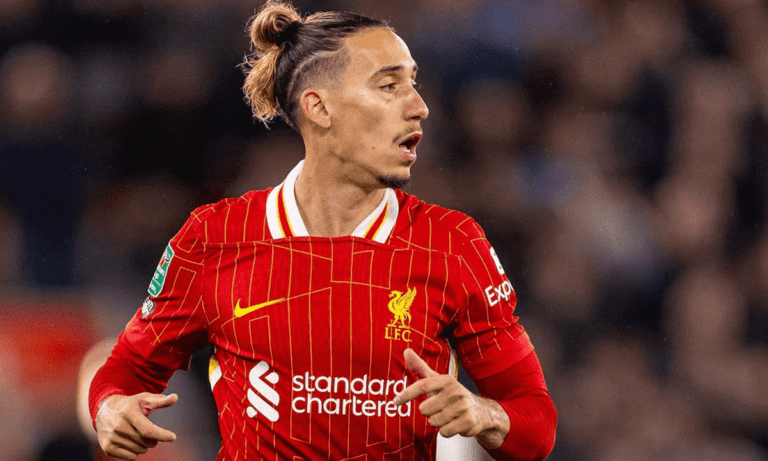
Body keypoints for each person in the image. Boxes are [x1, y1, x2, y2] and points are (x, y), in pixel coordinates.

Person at [88, 1, 557, 460]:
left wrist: (485, 413)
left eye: (414, 84)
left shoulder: (453, 243)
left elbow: (536, 423)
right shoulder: (215, 236)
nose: (420, 107)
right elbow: (125, 371)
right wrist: (110, 410)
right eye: (389, 85)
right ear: (319, 107)